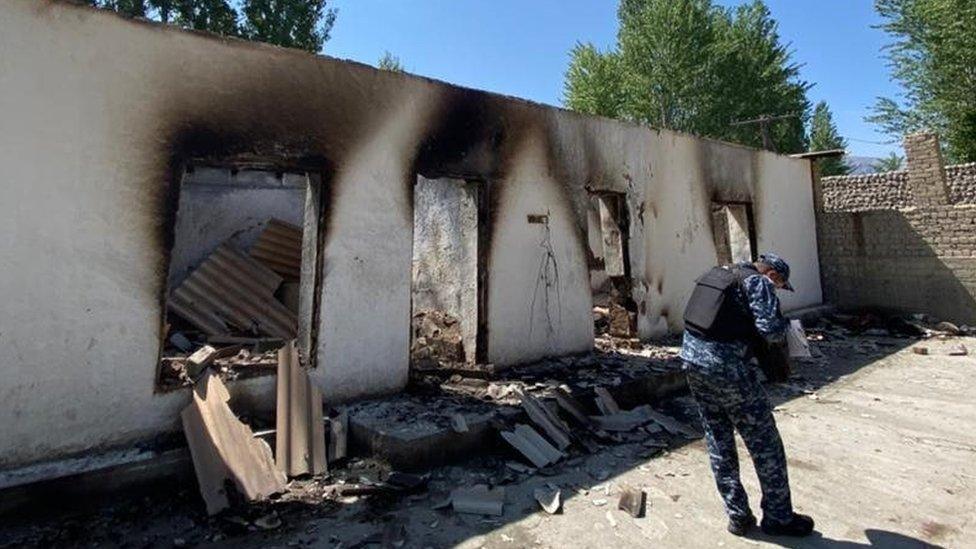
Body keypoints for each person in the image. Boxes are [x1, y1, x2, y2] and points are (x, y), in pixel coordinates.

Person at [680, 253, 814, 537]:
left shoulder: (717, 274)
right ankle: (779, 517)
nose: (776, 289)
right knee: (765, 442)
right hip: (729, 371)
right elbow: (772, 332)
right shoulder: (758, 283)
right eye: (779, 285)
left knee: (719, 441)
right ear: (774, 276)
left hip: (693, 365)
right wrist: (785, 327)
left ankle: (738, 516)